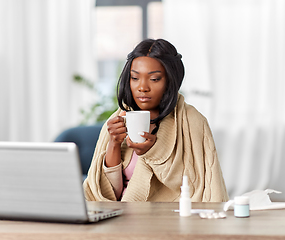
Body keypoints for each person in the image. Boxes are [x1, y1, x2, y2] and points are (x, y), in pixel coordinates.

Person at [83, 39, 228, 202]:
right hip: (120, 218)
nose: (142, 87)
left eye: (154, 79)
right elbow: (106, 196)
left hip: (169, 220)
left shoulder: (192, 121)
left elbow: (195, 189)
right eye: (135, 78)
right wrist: (114, 144)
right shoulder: (119, 118)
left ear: (170, 81)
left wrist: (152, 153)